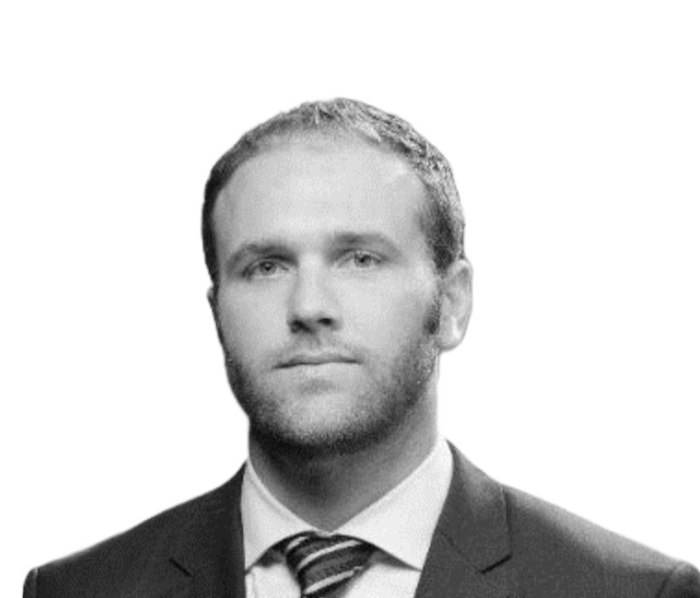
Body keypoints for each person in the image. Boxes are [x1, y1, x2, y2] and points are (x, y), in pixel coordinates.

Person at [24, 98, 699, 598]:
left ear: (453, 303)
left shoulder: (633, 592)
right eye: (265, 266)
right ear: (217, 312)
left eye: (361, 259)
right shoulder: (77, 591)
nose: (309, 307)